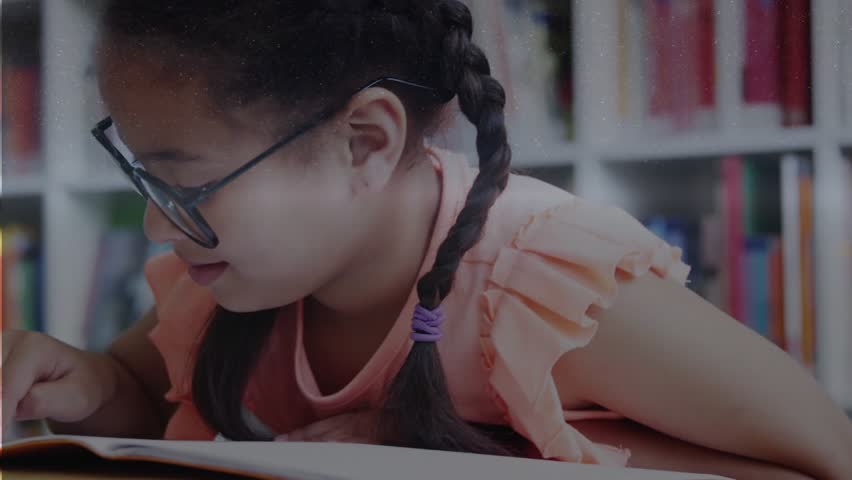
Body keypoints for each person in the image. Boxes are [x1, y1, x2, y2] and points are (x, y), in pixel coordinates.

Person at [3, 2, 850, 479]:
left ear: (365, 143)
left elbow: (828, 461)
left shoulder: (545, 292)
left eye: (184, 180)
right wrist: (88, 385)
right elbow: (146, 407)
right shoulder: (220, 274)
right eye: (143, 175)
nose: (158, 222)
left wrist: (469, 455)